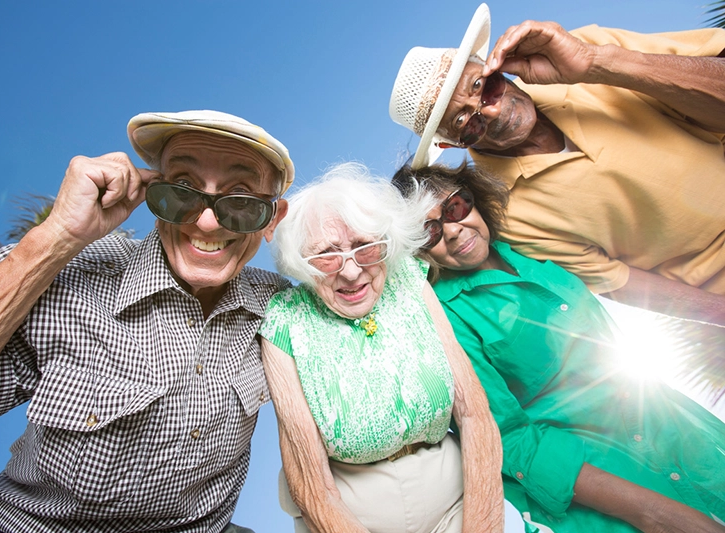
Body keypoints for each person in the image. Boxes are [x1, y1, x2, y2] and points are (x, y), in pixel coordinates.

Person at [0, 110, 293, 533]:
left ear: (271, 220)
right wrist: (56, 238)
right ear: (155, 194)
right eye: (183, 190)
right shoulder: (67, 275)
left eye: (242, 199)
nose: (206, 221)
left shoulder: (281, 309)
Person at [392, 160, 725, 533]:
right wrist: (651, 512)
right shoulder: (443, 318)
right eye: (429, 232)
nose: (453, 230)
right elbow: (507, 438)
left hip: (686, 436)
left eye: (455, 207)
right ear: (417, 251)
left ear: (473, 198)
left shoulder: (532, 244)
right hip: (601, 486)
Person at [388, 3, 725, 326]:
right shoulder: (509, 215)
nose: (490, 111)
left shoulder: (588, 53)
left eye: (484, 86)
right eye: (466, 122)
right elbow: (621, 283)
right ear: (451, 144)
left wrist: (596, 62)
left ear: (495, 67)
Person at [257, 163, 506, 533]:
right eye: (327, 255)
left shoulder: (406, 278)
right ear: (302, 264)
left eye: (365, 247)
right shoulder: (285, 320)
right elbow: (309, 480)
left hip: (456, 504)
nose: (352, 272)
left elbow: (474, 414)